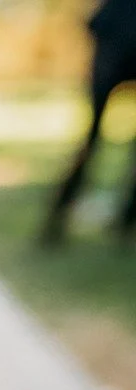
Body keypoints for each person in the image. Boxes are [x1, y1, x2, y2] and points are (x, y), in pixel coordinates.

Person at [42, 0, 136, 244]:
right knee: (90, 143)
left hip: (110, 59)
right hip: (112, 59)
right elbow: (94, 24)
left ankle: (60, 220)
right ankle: (60, 220)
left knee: (90, 143)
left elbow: (93, 24)